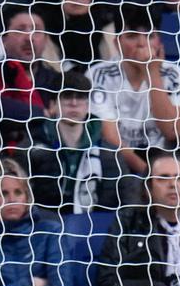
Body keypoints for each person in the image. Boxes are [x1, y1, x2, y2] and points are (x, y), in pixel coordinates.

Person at [88, 5, 180, 176]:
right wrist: (148, 174)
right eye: (132, 36)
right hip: (118, 163)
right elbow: (111, 138)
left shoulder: (173, 73)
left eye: (150, 36)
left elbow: (172, 131)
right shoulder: (99, 74)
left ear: (159, 41)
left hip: (164, 161)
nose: (142, 43)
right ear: (117, 43)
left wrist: (152, 73)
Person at [97, 150, 180, 286]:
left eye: (179, 178)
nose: (173, 184)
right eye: (163, 178)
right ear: (148, 188)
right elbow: (107, 280)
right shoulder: (128, 222)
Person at [21, 70, 133, 215]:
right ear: (53, 105)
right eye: (67, 96)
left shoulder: (110, 154)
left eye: (80, 97)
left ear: (87, 105)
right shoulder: (30, 149)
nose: (74, 103)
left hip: (99, 230)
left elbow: (128, 200)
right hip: (44, 230)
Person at [0, 8, 61, 149]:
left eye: (36, 30)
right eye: (20, 30)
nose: (29, 37)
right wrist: (41, 113)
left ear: (46, 40)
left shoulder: (58, 81)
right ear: (4, 40)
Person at [0, 158, 62, 286]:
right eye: (4, 193)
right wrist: (32, 283)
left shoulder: (51, 233)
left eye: (18, 192)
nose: (12, 200)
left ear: (27, 198)